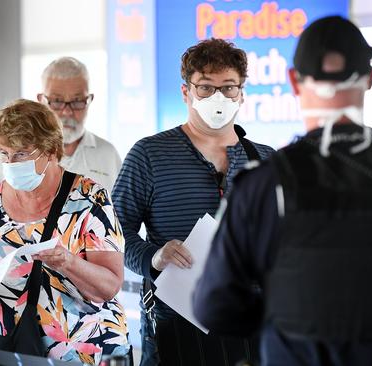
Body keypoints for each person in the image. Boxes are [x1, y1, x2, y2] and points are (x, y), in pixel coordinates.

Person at [192, 16, 372, 365]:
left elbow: (214, 306)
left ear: (293, 80)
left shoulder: (262, 185)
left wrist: (283, 314)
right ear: (371, 78)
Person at [112, 38, 275, 365]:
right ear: (186, 92)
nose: (218, 97)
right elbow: (114, 235)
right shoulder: (149, 155)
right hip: (176, 327)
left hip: (251, 327)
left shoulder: (266, 161)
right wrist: (154, 256)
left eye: (228, 87)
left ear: (242, 93)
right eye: (205, 87)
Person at [0, 99, 130, 365]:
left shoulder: (89, 198)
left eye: (21, 154)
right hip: (9, 348)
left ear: (49, 150)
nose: (10, 163)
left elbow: (109, 286)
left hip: (83, 350)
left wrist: (69, 263)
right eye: (3, 153)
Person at [0, 57, 122, 193]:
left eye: (77, 101)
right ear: (41, 100)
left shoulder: (107, 154)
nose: (67, 112)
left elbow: (119, 215)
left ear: (89, 100)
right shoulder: (11, 150)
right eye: (57, 101)